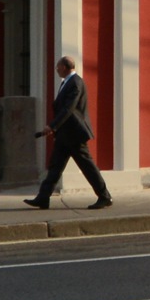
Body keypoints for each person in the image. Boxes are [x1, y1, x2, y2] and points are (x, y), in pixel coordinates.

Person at [26, 54, 114, 210]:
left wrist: (52, 126)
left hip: (74, 134)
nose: (56, 69)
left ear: (65, 67)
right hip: (65, 135)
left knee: (87, 167)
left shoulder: (75, 83)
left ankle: (104, 196)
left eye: (58, 66)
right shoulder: (67, 82)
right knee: (55, 167)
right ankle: (43, 197)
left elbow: (69, 109)